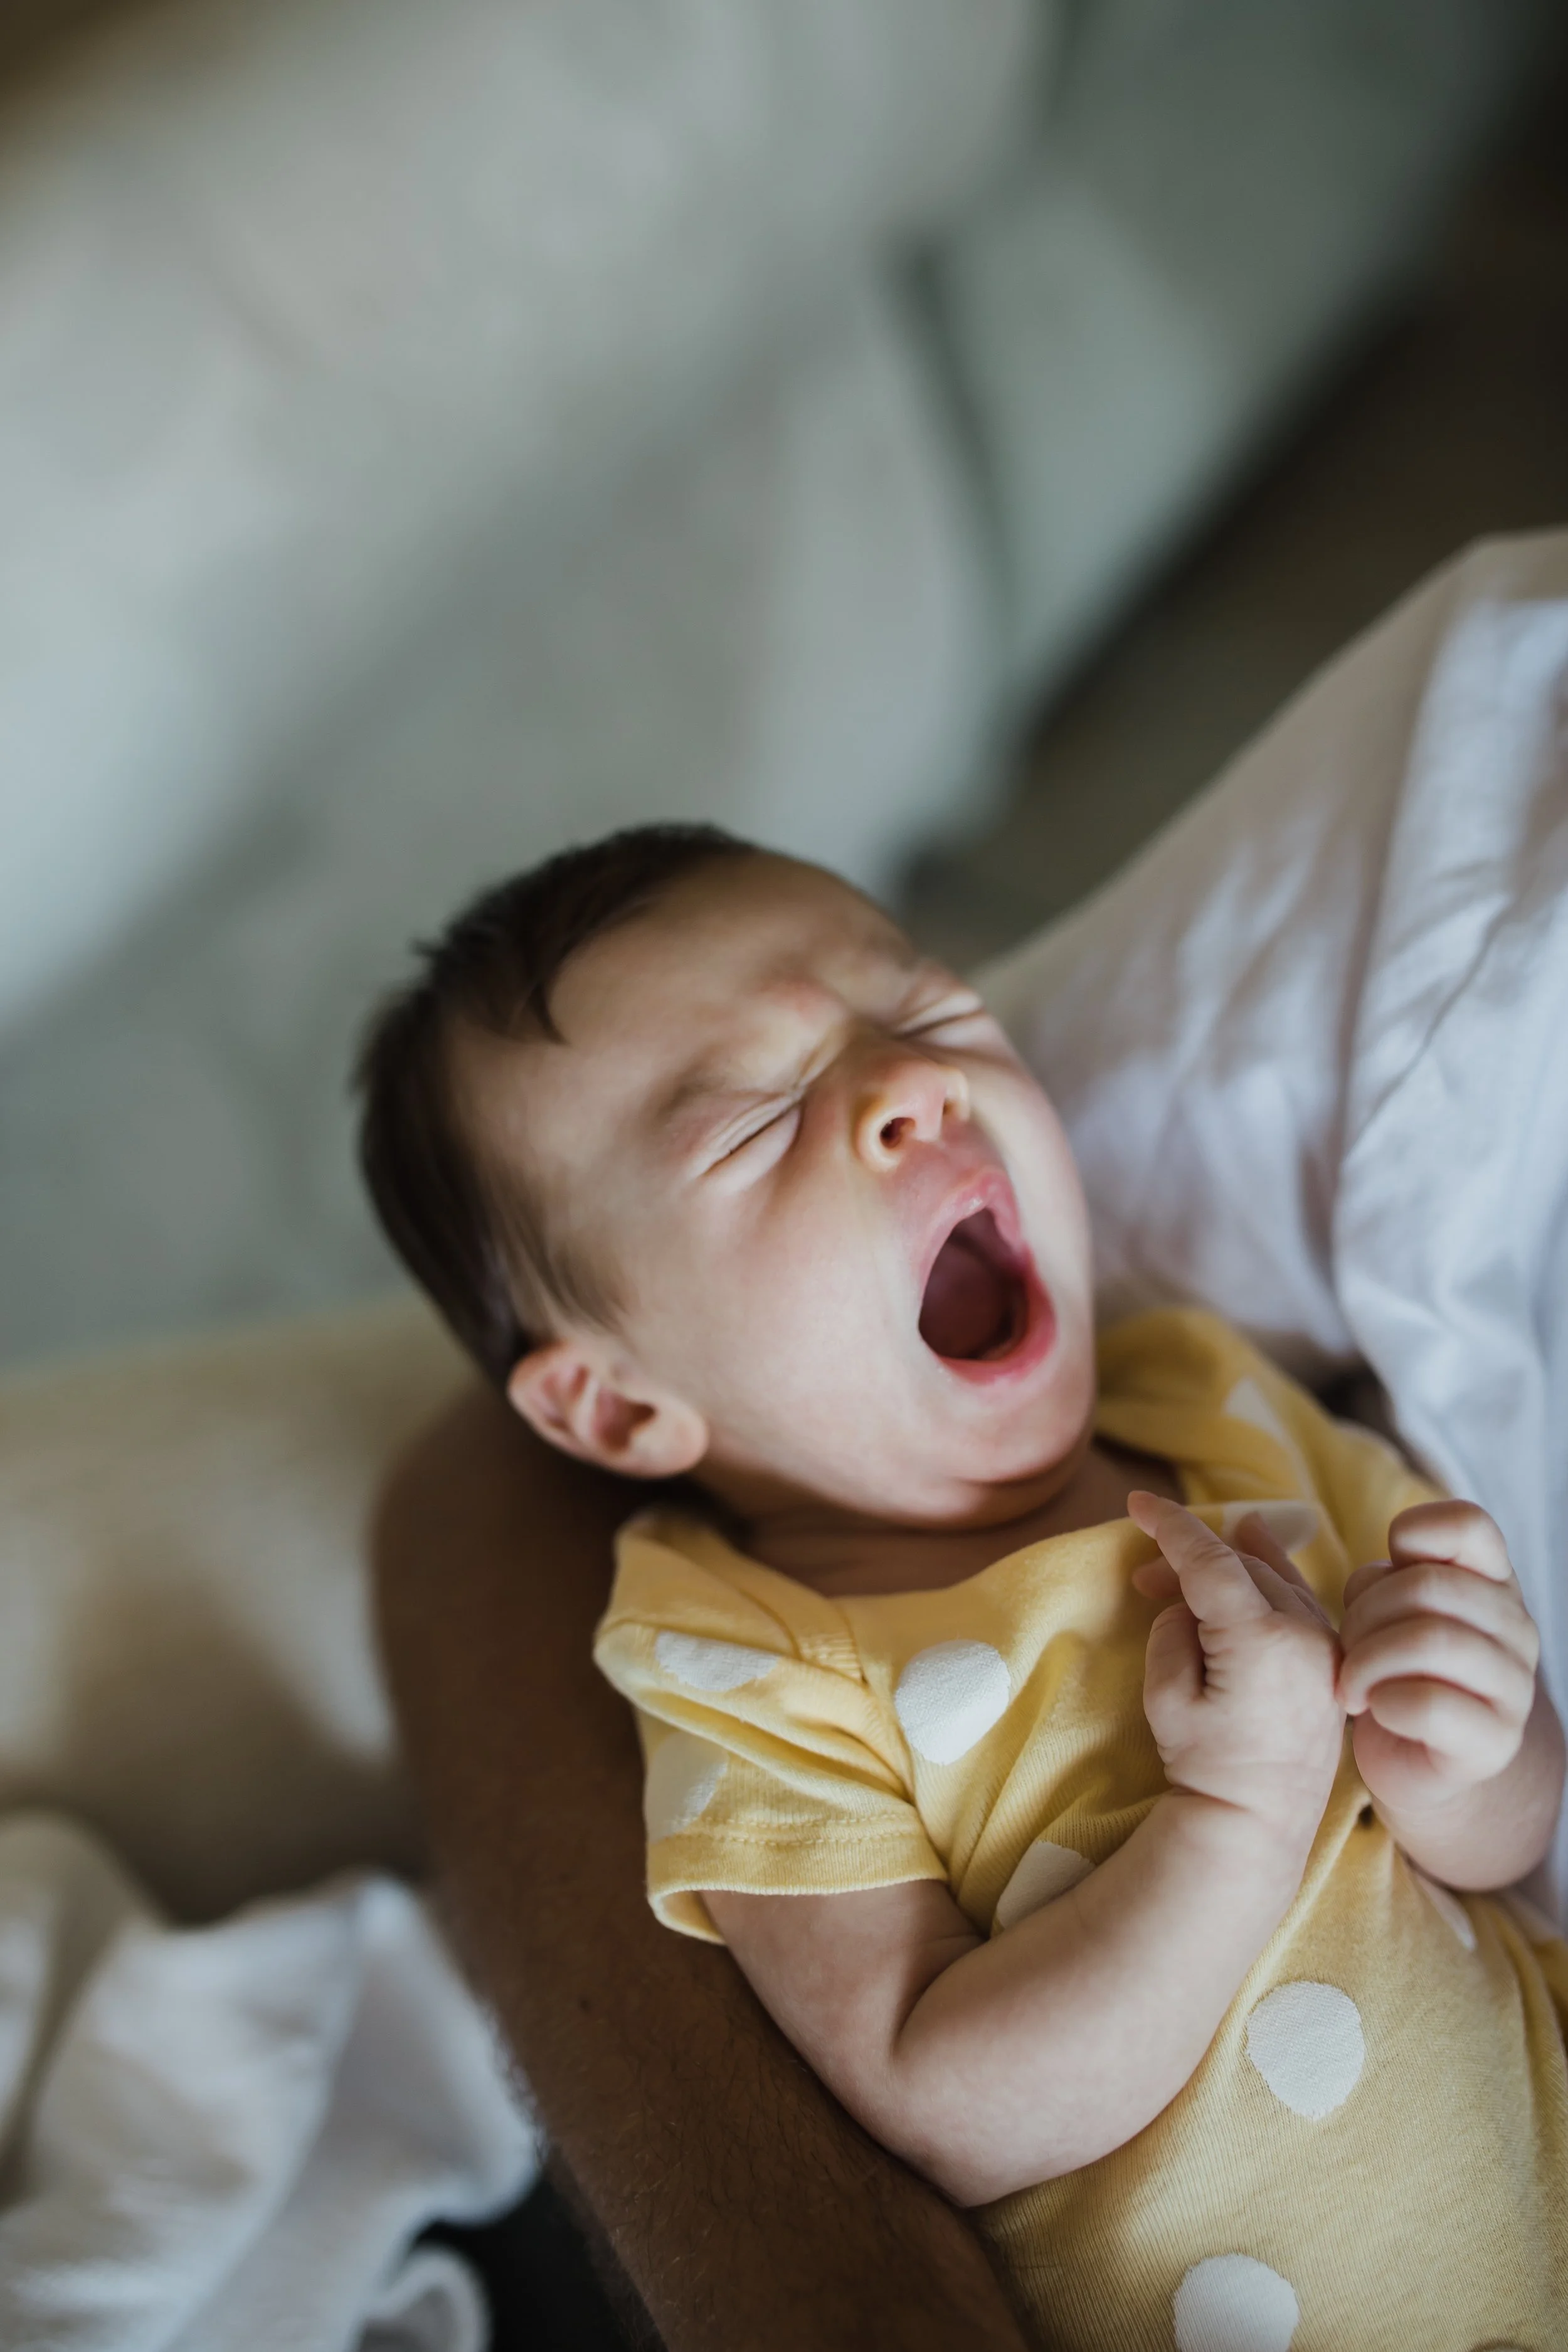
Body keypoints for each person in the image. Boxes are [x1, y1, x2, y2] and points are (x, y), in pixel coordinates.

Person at [360, 825, 1567, 2350]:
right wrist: (1234, 1822)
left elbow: (1506, 1843)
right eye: (751, 1126)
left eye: (927, 1015)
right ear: (615, 1409)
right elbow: (943, 2096)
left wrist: (1467, 1738)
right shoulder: (741, 1655)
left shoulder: (1208, 1403)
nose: (902, 1089)